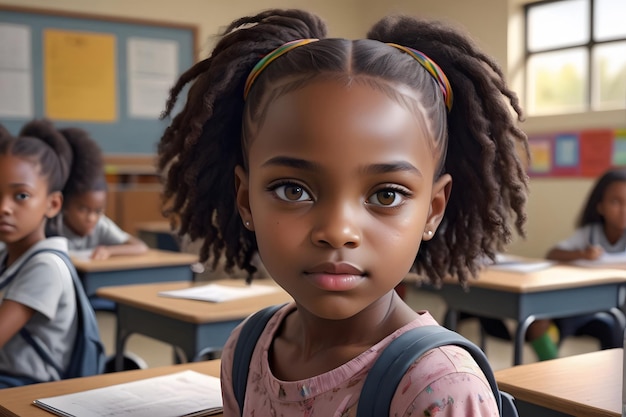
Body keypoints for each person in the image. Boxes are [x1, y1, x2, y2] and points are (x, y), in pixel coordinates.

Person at [157, 9, 529, 416]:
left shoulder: (439, 389)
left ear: (432, 211)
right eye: (293, 190)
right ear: (245, 199)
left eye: (386, 195)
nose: (338, 230)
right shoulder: (246, 351)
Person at [0, 119, 78, 387]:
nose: (4, 208)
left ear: (52, 204)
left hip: (24, 390)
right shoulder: (8, 257)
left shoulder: (46, 266)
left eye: (20, 196)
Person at [535, 168, 626, 355]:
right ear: (600, 206)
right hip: (584, 303)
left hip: (617, 307)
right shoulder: (590, 234)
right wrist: (582, 254)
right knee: (537, 321)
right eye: (616, 202)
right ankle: (550, 369)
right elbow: (552, 254)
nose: (623, 210)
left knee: (614, 328)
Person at [42, 124, 148, 260]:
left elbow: (140, 246)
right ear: (65, 205)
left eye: (98, 211)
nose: (91, 218)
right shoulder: (53, 224)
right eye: (83, 209)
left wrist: (109, 251)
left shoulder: (101, 225)